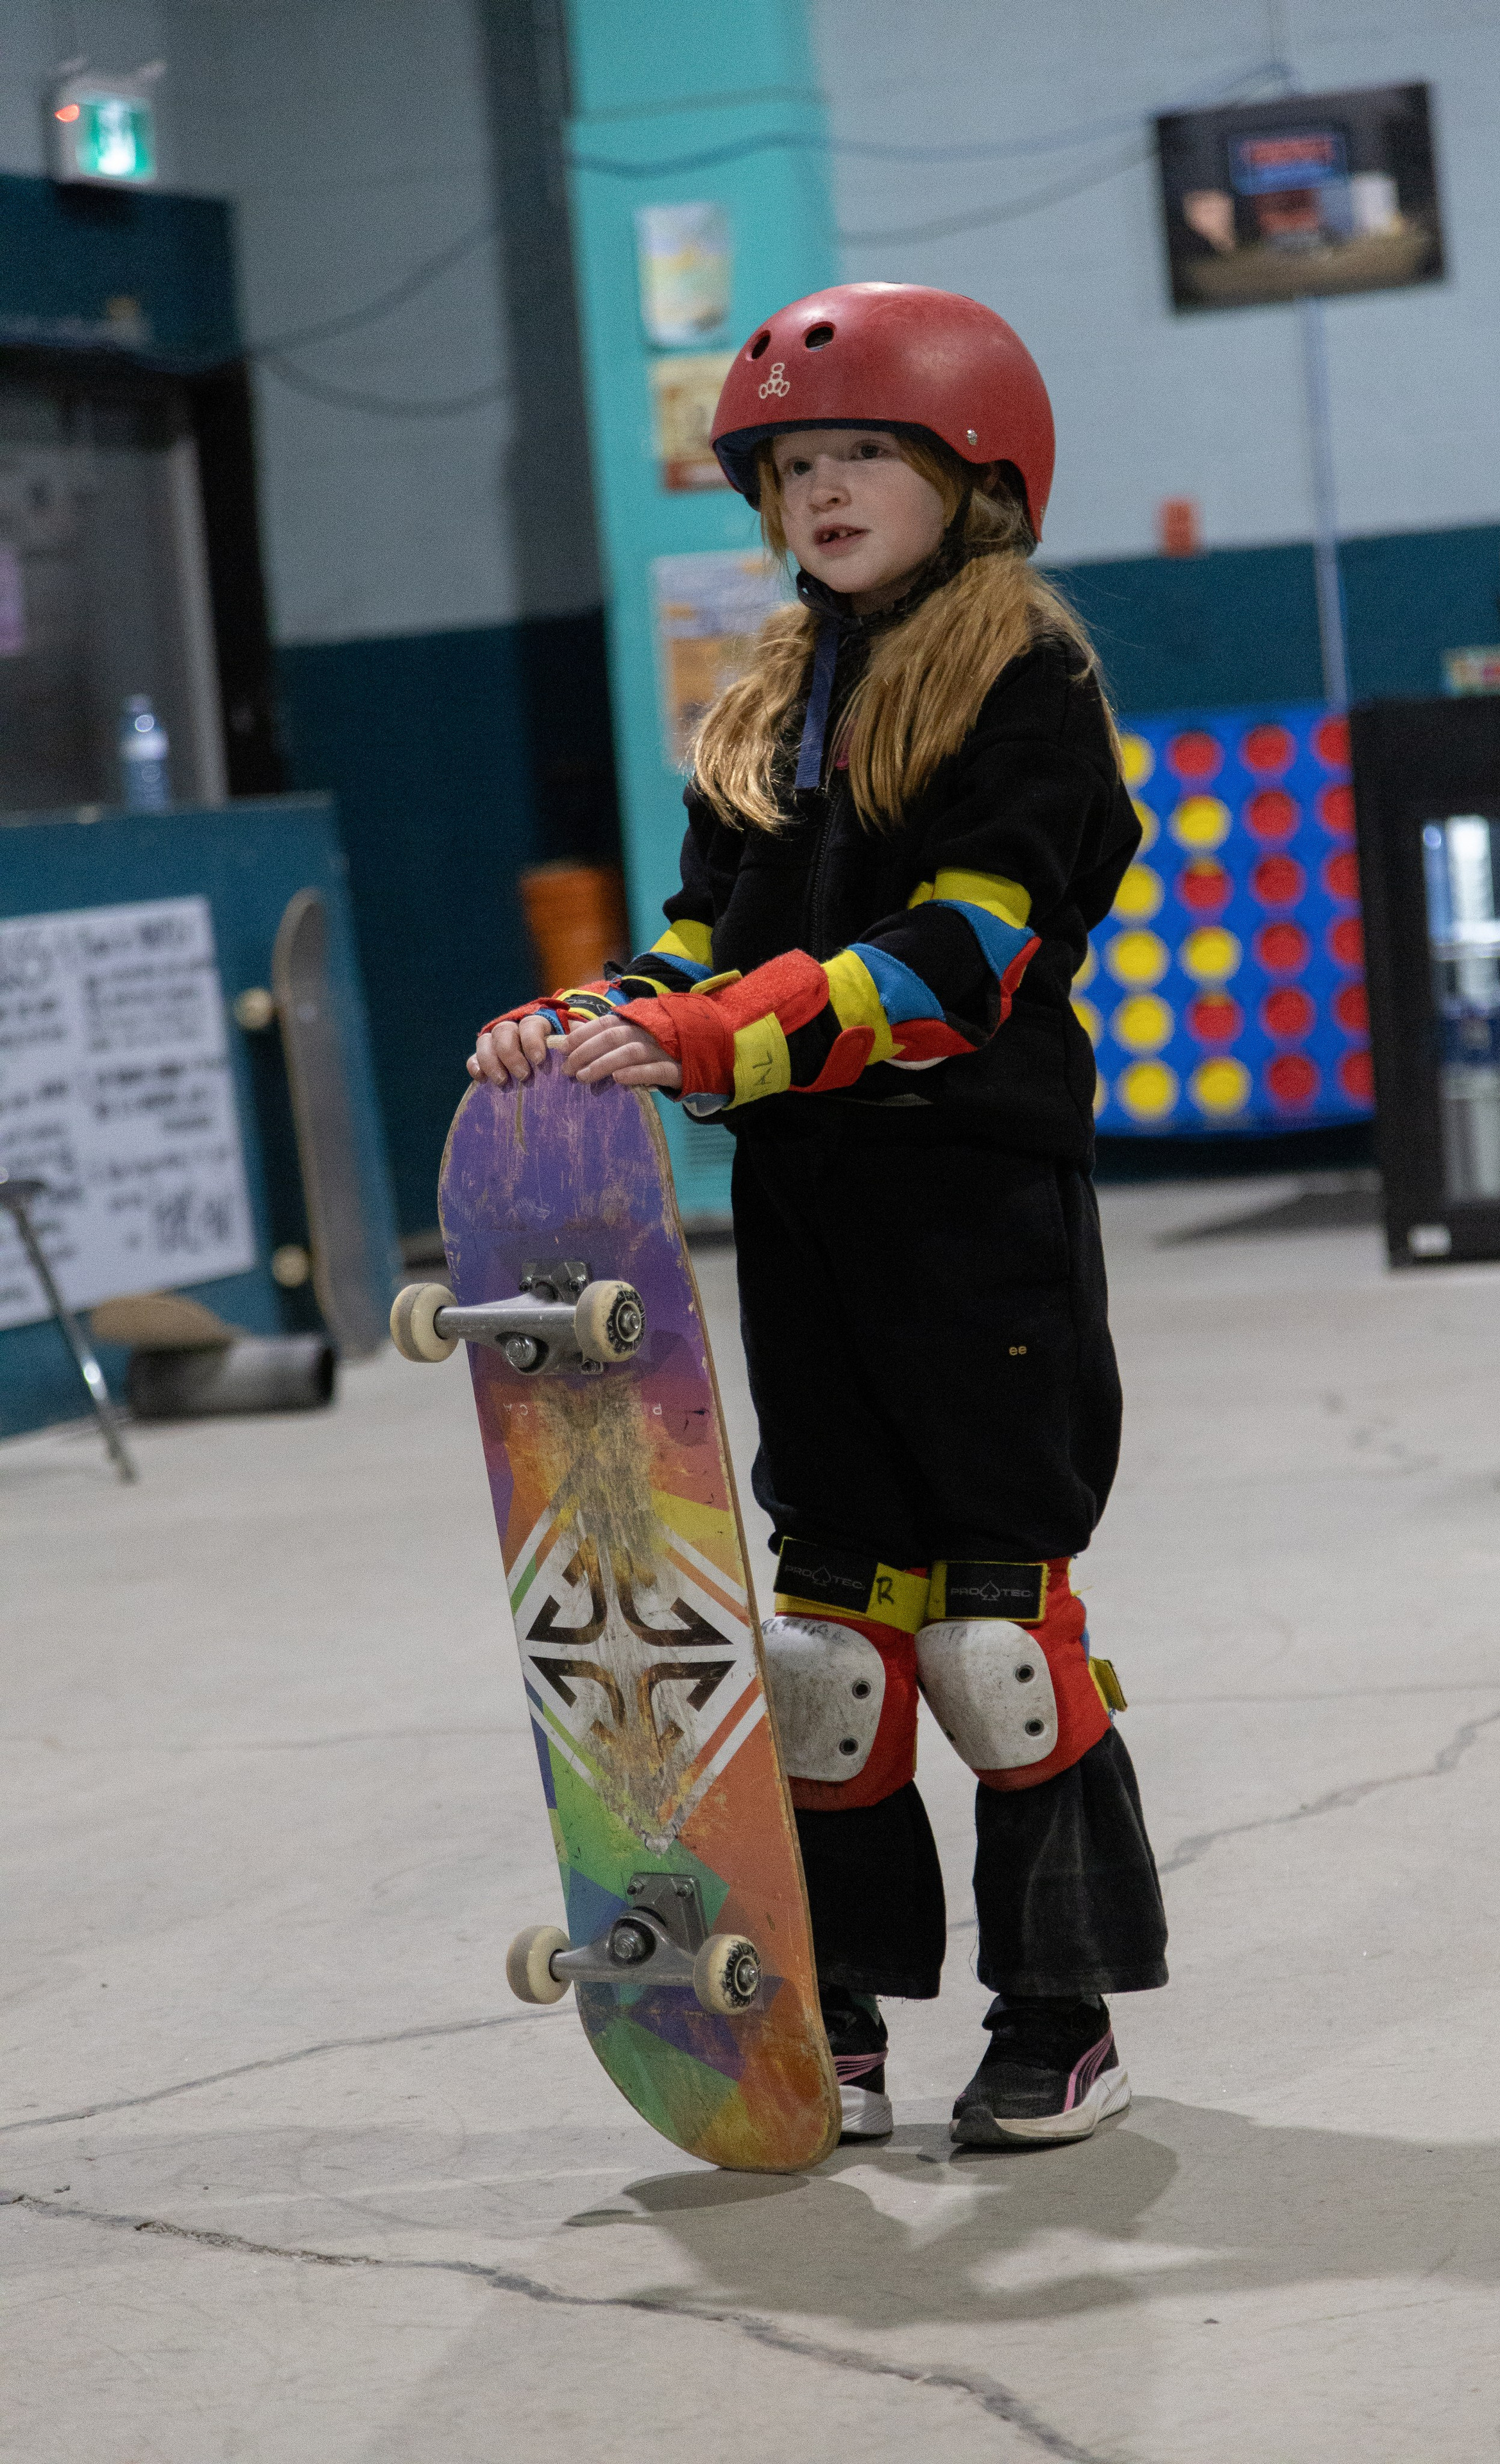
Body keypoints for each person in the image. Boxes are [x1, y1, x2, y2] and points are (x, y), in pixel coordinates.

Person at [470, 282, 1168, 2148]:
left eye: (866, 452)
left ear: (977, 472)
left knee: (994, 1649)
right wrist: (604, 1013)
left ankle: (1059, 2013)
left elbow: (957, 963)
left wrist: (705, 1038)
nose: (825, 489)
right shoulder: (772, 698)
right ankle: (834, 2018)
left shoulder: (1032, 686)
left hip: (979, 1212)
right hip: (808, 1217)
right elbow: (710, 938)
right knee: (827, 1656)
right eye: (791, 466)